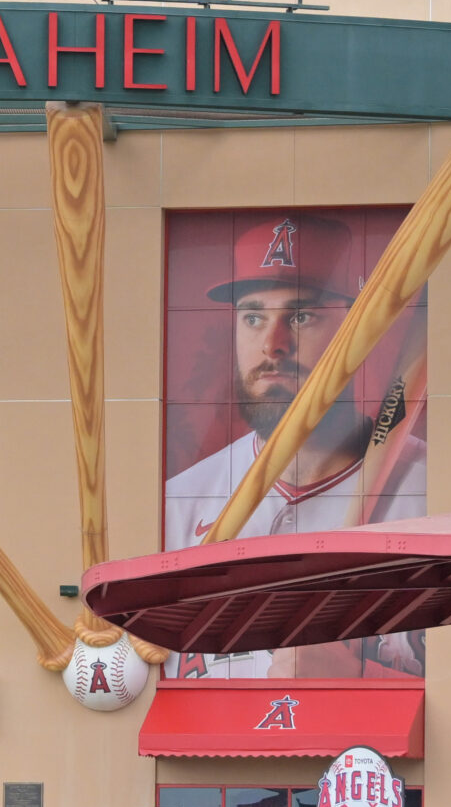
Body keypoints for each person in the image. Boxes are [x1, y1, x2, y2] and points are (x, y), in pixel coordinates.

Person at [162, 215, 428, 678]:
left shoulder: (433, 491)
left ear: (358, 333)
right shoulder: (178, 503)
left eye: (302, 315)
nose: (273, 344)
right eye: (253, 317)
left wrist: (361, 680)